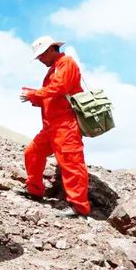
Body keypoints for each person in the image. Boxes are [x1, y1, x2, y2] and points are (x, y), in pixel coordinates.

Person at [20, 36, 90, 217]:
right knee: (32, 153)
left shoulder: (67, 63)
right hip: (51, 126)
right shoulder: (55, 68)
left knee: (71, 163)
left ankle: (79, 206)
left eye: (41, 55)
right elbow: (52, 96)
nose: (40, 59)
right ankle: (35, 191)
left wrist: (34, 94)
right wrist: (34, 97)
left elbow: (59, 88)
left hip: (66, 125)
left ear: (52, 49)